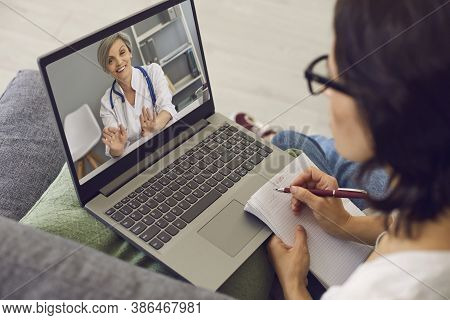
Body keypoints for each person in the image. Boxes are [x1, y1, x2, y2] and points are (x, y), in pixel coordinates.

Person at [267, 0, 450, 299]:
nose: (325, 92)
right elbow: (399, 220)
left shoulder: (377, 295)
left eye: (333, 79)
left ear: (381, 105)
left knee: (288, 144)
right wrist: (347, 223)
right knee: (290, 142)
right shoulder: (429, 178)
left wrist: (293, 284)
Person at [97, 32, 177, 157]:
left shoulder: (152, 72)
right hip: (139, 160)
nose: (119, 62)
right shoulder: (107, 103)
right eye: (110, 60)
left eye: (122, 52)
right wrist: (117, 149)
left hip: (172, 143)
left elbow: (167, 108)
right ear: (106, 69)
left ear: (130, 52)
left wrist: (155, 125)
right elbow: (114, 146)